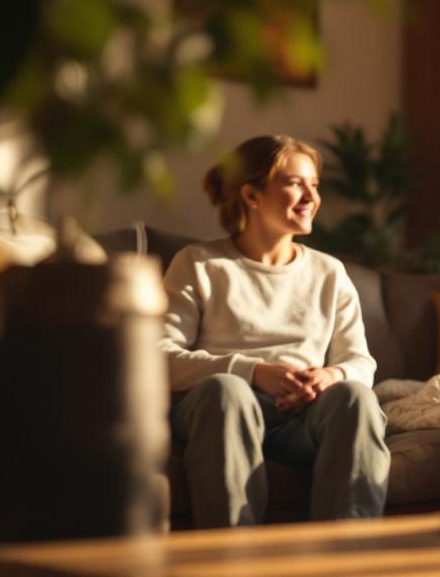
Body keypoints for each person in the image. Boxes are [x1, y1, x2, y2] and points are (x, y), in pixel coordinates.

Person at [160, 134, 390, 527]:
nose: (311, 197)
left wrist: (330, 376)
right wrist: (254, 372)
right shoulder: (199, 264)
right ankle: (232, 558)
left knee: (354, 397)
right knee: (226, 391)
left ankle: (349, 557)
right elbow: (162, 357)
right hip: (220, 413)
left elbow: (360, 362)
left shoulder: (329, 272)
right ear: (251, 195)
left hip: (301, 422)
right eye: (296, 183)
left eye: (314, 185)